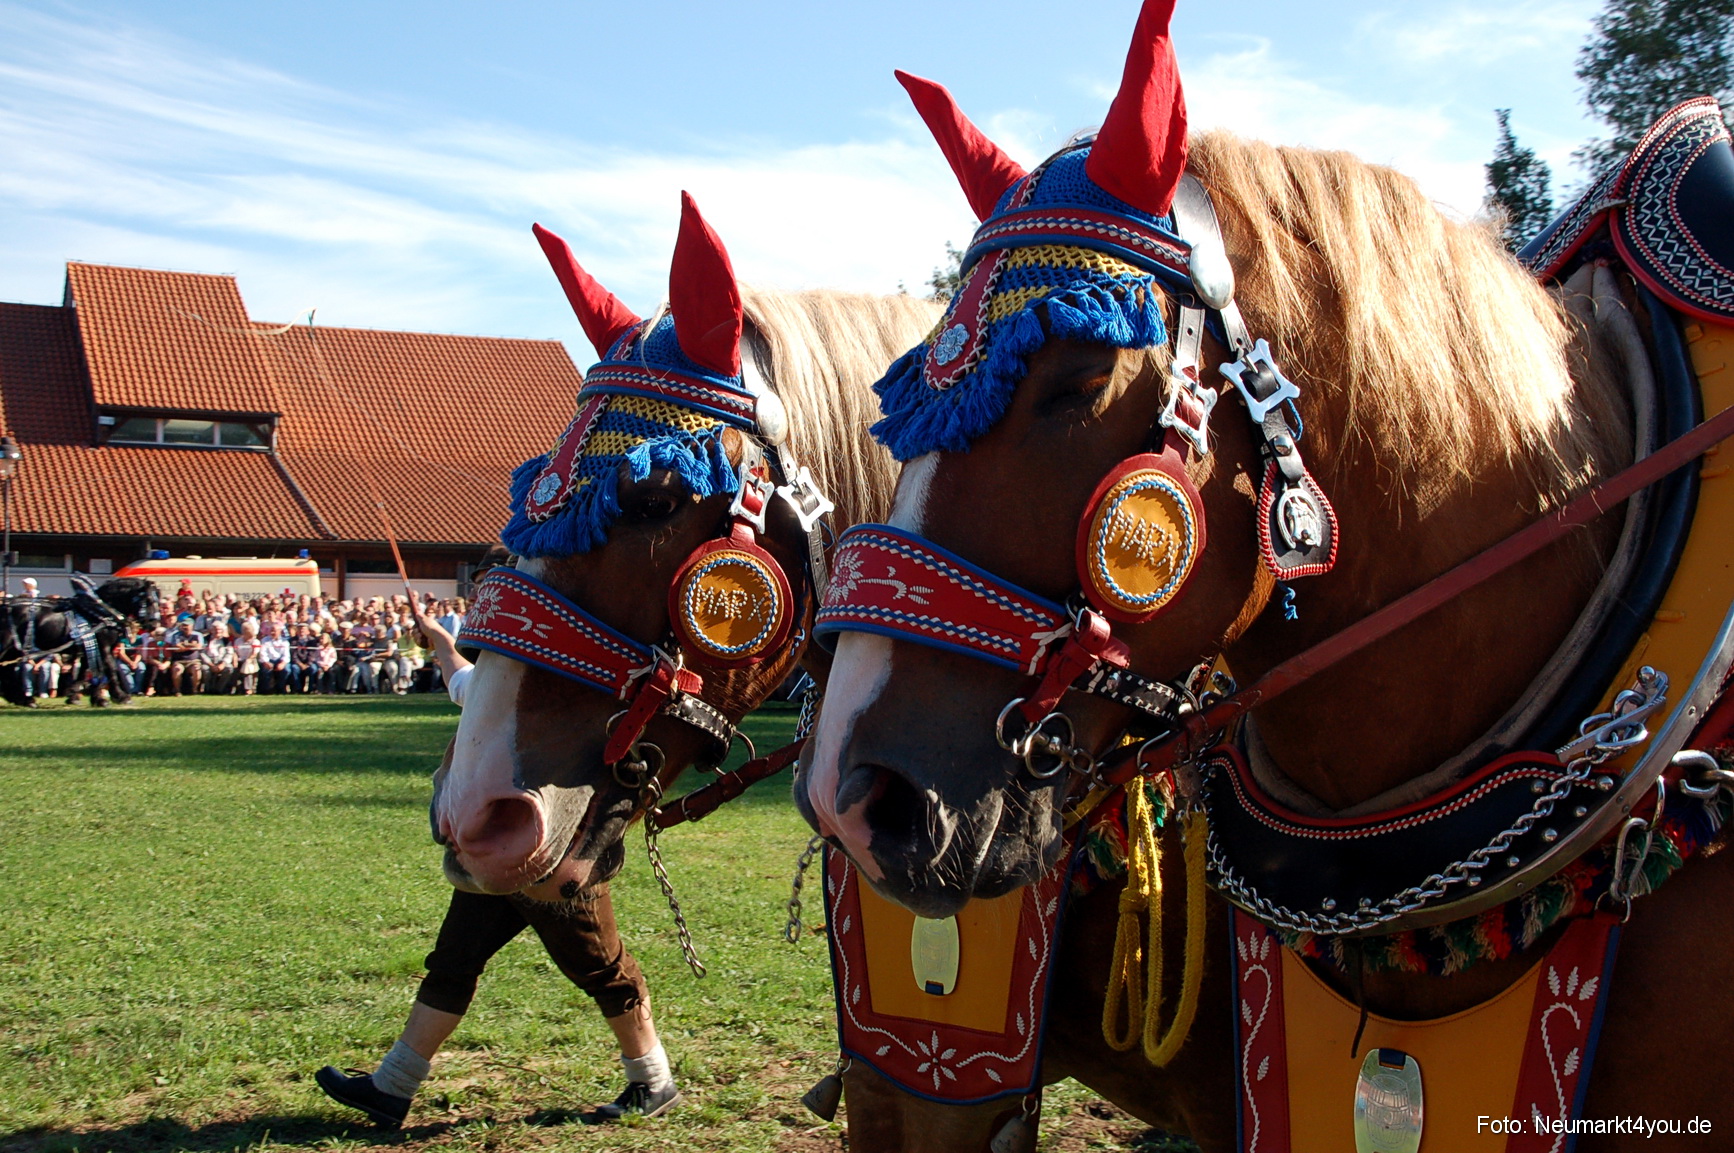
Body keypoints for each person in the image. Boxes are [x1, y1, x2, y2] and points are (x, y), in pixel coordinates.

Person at [315, 591, 681, 1129]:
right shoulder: (502, 681)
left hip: (550, 848)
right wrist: (440, 642)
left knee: (602, 969)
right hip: (493, 854)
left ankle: (653, 1081)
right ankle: (393, 1086)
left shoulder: (550, 680)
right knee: (454, 961)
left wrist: (445, 644)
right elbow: (462, 682)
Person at [166, 619, 204, 695]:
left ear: (192, 626)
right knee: (177, 669)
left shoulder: (198, 635)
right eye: (183, 625)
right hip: (179, 660)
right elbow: (176, 648)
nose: (184, 627)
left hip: (194, 660)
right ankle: (177, 690)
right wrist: (191, 645)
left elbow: (198, 647)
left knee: (196, 669)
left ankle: (195, 690)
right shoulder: (176, 635)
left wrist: (184, 644)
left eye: (187, 625)